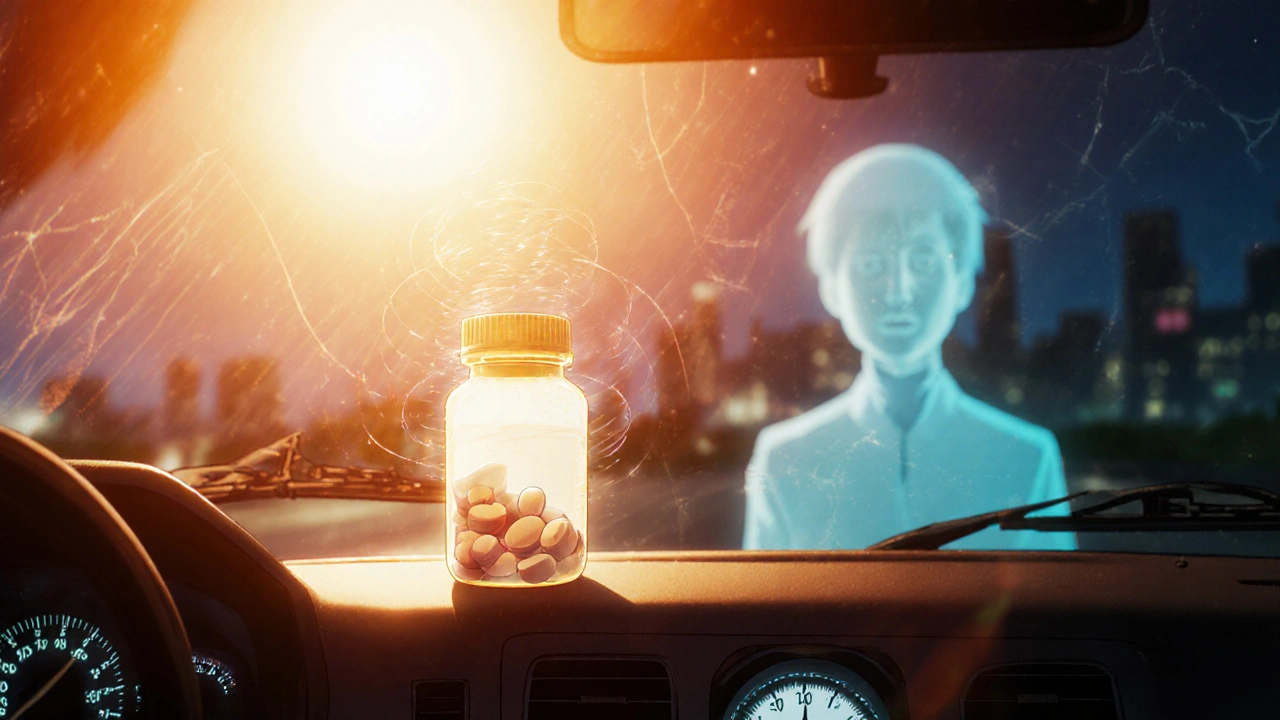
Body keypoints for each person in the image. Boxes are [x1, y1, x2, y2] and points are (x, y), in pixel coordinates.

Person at [743, 144, 1075, 551]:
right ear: (831, 287)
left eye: (923, 262)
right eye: (871, 265)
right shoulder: (783, 459)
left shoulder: (1029, 458)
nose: (898, 292)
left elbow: (1056, 610)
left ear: (962, 283)